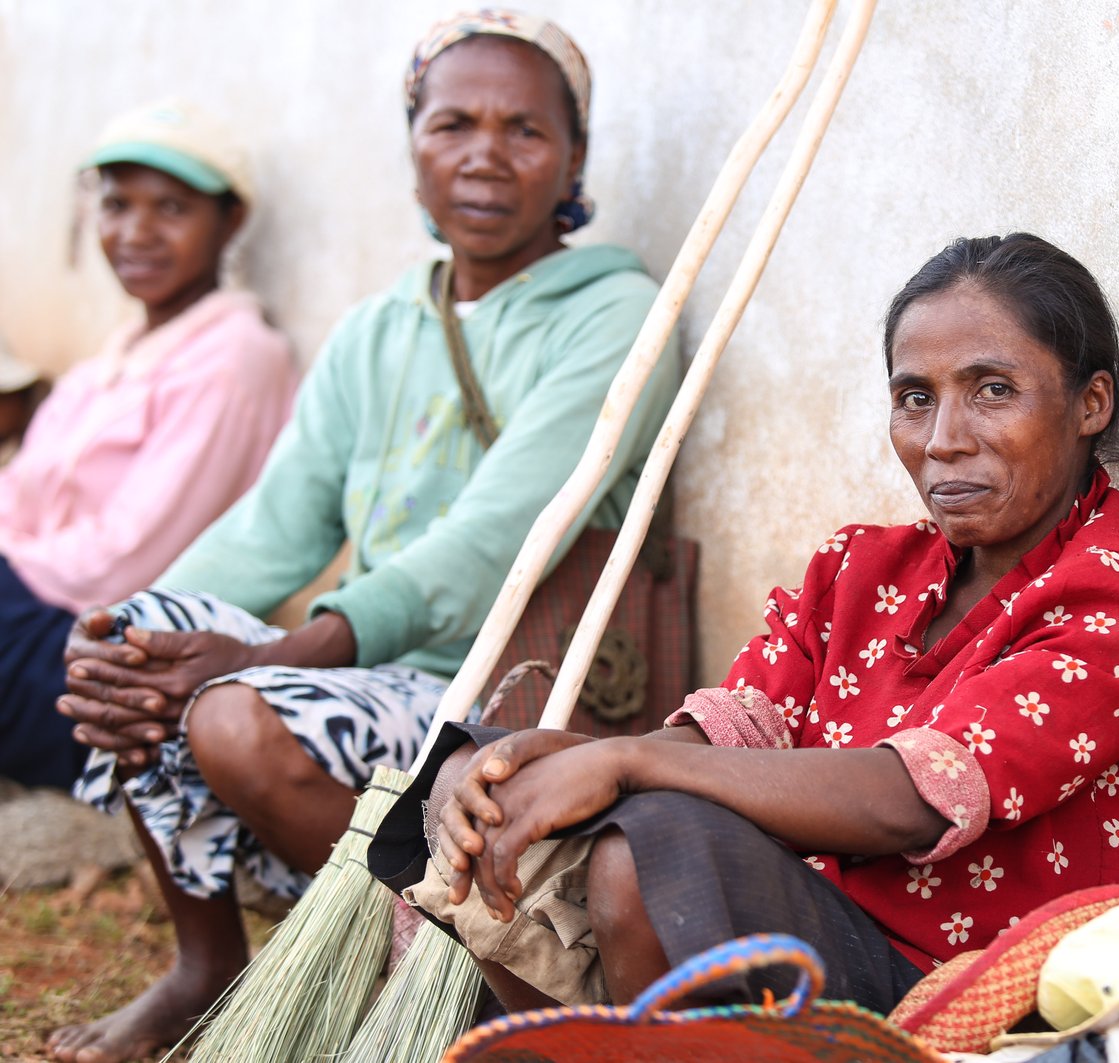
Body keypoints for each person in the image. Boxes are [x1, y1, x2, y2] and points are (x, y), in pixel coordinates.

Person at [46, 12, 679, 1063]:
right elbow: (274, 525)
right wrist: (121, 629)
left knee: (240, 722)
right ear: (413, 143)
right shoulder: (377, 329)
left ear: (574, 156)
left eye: (524, 130)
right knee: (139, 644)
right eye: (452, 124)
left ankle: (421, 968)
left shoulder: (615, 316)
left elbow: (495, 541)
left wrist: (273, 656)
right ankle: (204, 966)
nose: (484, 154)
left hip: (508, 693)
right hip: (370, 678)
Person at [370, 233, 1119, 1019]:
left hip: (950, 983)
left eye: (993, 390)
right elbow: (732, 735)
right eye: (916, 398)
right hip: (810, 929)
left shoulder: (1118, 613)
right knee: (475, 783)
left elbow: (906, 802)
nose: (945, 439)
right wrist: (569, 763)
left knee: (648, 856)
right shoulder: (856, 569)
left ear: (1091, 402)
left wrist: (622, 761)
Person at [0, 101, 295, 792]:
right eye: (117, 204)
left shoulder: (236, 359)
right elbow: (16, 494)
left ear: (231, 220)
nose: (136, 232)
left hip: (111, 655)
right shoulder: (112, 359)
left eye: (170, 208)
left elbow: (131, 557)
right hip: (29, 613)